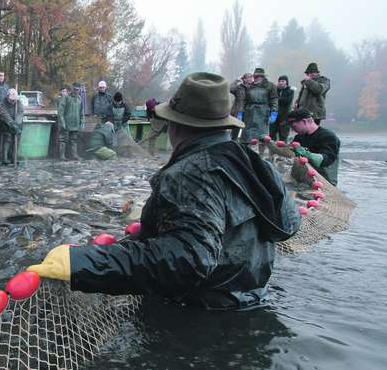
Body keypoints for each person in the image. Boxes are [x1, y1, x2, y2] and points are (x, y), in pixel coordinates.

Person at [28, 72, 301, 310]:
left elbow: (189, 262)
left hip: (200, 315)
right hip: (255, 298)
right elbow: (288, 225)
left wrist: (83, 263)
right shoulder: (252, 161)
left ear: (176, 125)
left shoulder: (189, 174)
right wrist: (160, 233)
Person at [287, 109, 340, 186]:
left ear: (305, 121)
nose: (292, 129)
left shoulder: (329, 137)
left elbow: (327, 159)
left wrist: (305, 153)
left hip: (324, 181)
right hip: (304, 178)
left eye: (294, 126)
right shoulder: (298, 137)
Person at [240, 68, 278, 144]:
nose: (256, 78)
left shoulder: (270, 86)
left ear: (263, 77)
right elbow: (243, 100)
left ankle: (261, 154)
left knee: (263, 136)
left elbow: (274, 99)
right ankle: (248, 153)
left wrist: (274, 113)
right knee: (247, 136)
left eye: (259, 76)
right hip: (250, 113)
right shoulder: (249, 86)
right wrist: (240, 112)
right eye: (255, 76)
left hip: (263, 113)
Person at [57, 82, 84, 160]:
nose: (76, 91)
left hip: (75, 123)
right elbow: (60, 111)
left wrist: (82, 122)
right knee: (63, 139)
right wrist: (62, 122)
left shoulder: (79, 98)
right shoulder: (65, 97)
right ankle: (62, 156)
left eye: (77, 89)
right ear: (72, 88)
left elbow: (81, 112)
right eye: (74, 89)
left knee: (74, 140)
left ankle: (74, 155)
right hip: (66, 123)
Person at [0, 88, 24, 165]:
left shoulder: (19, 102)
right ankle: (4, 159)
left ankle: (14, 158)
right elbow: (6, 116)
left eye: (14, 100)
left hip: (17, 123)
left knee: (17, 139)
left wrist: (17, 124)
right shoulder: (2, 104)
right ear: (7, 97)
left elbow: (20, 113)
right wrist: (13, 124)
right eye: (11, 100)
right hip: (6, 123)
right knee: (7, 138)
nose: (13, 102)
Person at [271, 75, 295, 141]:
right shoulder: (275, 90)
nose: (280, 82)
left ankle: (282, 151)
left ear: (286, 82)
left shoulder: (290, 91)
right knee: (272, 135)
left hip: (285, 116)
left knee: (283, 136)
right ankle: (272, 150)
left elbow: (286, 101)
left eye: (282, 81)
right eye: (279, 81)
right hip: (274, 116)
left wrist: (276, 99)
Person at [229, 73, 252, 141]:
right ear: (244, 79)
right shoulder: (239, 87)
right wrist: (236, 80)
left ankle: (245, 144)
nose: (251, 79)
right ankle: (233, 141)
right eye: (249, 77)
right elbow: (230, 89)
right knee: (236, 129)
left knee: (246, 130)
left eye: (251, 77)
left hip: (248, 111)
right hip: (238, 111)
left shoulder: (253, 87)